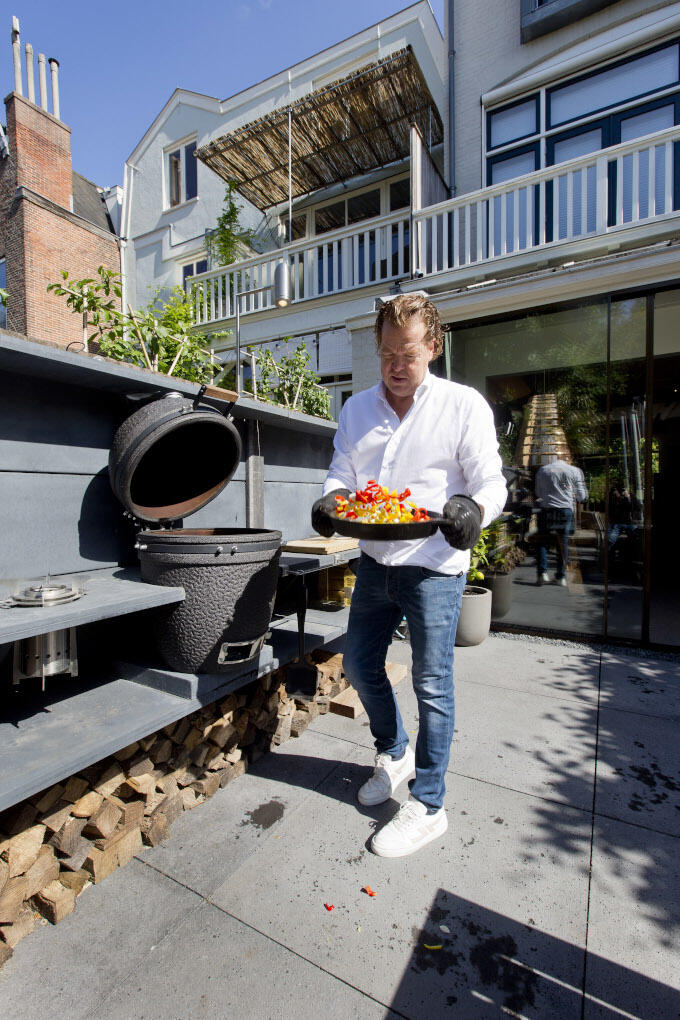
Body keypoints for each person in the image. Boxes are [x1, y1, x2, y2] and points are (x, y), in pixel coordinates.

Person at [311, 294, 507, 858]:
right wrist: (332, 502)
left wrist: (472, 509)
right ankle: (394, 753)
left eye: (409, 353)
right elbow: (341, 473)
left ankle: (429, 804)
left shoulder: (463, 405)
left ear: (433, 347)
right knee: (358, 663)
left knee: (432, 684)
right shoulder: (356, 409)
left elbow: (490, 482)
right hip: (376, 561)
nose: (397, 365)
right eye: (387, 354)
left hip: (436, 567)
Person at [534, 455, 588, 586]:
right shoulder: (575, 471)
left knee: (543, 541)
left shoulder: (543, 470)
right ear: (567, 458)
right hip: (565, 509)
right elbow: (582, 496)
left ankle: (542, 573)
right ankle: (561, 577)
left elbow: (538, 493)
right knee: (562, 544)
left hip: (546, 509)